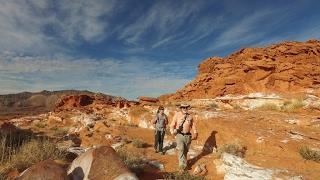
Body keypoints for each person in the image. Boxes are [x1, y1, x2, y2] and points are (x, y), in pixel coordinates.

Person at [170, 104, 198, 170]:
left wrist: (195, 132)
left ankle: (185, 164)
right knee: (181, 149)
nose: (185, 108)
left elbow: (193, 125)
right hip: (179, 135)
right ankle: (182, 166)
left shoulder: (190, 116)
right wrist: (172, 132)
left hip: (188, 136)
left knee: (185, 151)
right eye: (183, 107)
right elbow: (172, 124)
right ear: (181, 108)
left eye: (186, 107)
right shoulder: (177, 115)